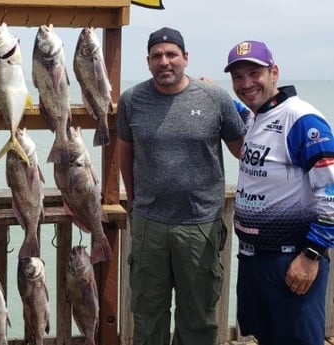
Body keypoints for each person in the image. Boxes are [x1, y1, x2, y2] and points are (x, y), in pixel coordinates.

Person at [116, 27, 247, 345]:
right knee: (147, 314)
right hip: (149, 224)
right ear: (148, 61)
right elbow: (125, 153)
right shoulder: (132, 100)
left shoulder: (214, 97)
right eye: (157, 56)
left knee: (198, 316)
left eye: (171, 54)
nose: (165, 61)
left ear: (185, 58)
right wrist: (135, 203)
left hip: (200, 224)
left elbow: (243, 150)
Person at [224, 40, 334, 344]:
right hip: (254, 261)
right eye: (237, 77)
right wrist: (210, 91)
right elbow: (239, 110)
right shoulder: (257, 117)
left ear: (274, 72)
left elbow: (331, 190)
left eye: (254, 73)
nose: (246, 84)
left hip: (292, 261)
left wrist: (311, 255)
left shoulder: (302, 120)